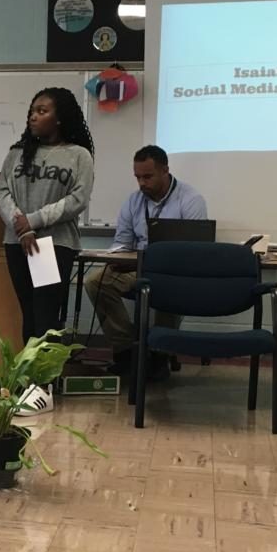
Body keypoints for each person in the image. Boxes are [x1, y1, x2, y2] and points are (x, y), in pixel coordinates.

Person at [87, 145, 207, 379]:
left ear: (165, 171)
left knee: (167, 286)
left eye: (148, 176)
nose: (141, 183)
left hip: (174, 271)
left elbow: (196, 251)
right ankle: (127, 352)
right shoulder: (133, 202)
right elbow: (121, 242)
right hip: (138, 267)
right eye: (138, 177)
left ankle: (160, 356)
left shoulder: (191, 200)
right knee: (96, 281)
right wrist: (118, 258)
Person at [0, 88, 95, 346]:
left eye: (42, 111)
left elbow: (77, 200)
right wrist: (23, 228)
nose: (33, 117)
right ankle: (30, 383)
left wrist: (35, 221)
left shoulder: (78, 155)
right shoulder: (17, 153)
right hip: (18, 242)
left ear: (59, 118)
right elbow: (3, 192)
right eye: (32, 111)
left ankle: (45, 383)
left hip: (51, 244)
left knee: (45, 317)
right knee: (28, 314)